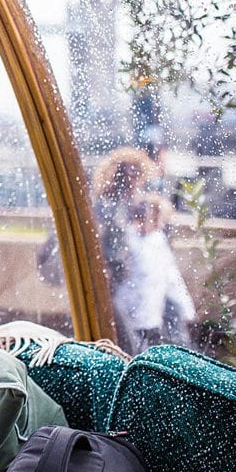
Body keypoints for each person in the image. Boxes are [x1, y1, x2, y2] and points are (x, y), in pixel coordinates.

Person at [90, 146, 158, 353]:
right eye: (131, 174)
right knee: (125, 344)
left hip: (120, 284)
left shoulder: (122, 206)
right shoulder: (108, 206)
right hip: (110, 284)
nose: (135, 181)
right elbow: (102, 243)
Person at [114, 192, 197, 352]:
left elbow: (171, 276)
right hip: (129, 312)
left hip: (151, 314)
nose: (160, 225)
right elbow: (123, 277)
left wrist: (186, 308)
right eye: (157, 219)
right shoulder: (127, 239)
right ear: (144, 216)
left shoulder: (157, 239)